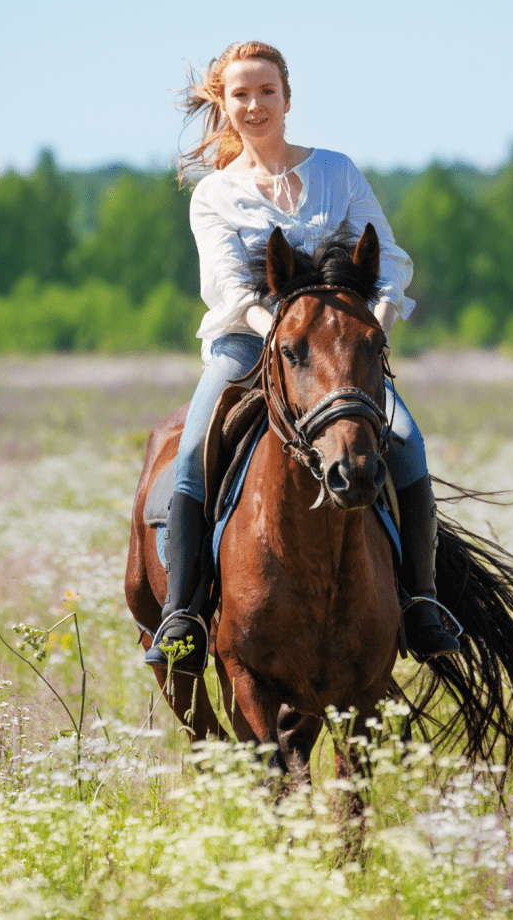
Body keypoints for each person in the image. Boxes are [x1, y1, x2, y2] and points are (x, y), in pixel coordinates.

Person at [145, 41, 460, 675]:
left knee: (405, 438)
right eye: (242, 95)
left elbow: (389, 259)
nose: (255, 105)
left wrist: (378, 326)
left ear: (288, 99)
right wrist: (280, 332)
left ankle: (422, 602)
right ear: (225, 106)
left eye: (267, 92)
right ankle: (183, 613)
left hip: (339, 346)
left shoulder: (337, 171)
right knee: (194, 443)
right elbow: (229, 290)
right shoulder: (213, 195)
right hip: (248, 340)